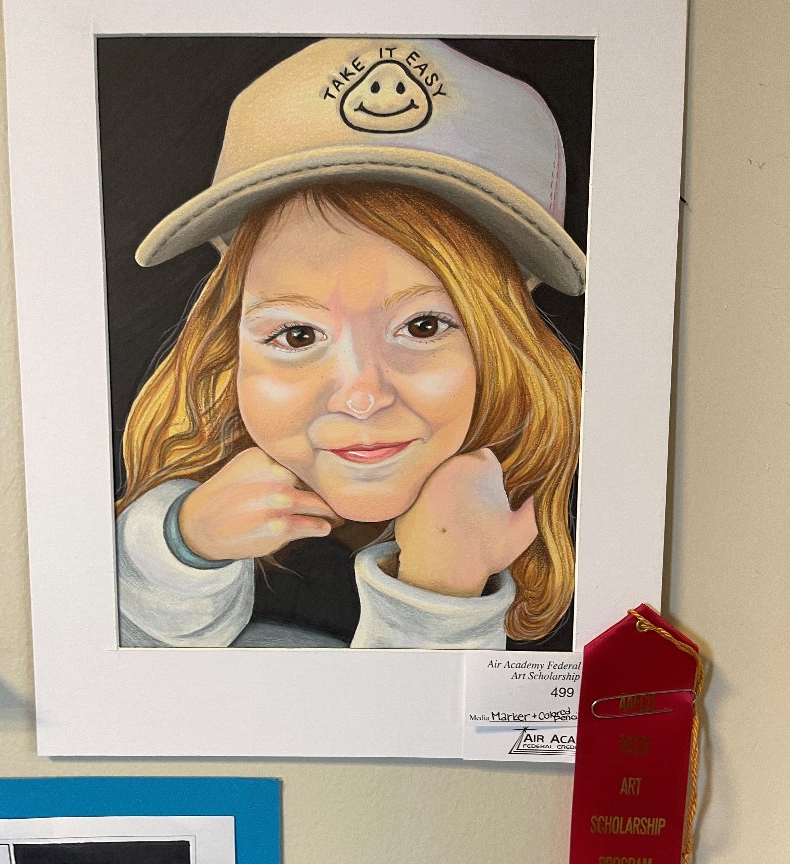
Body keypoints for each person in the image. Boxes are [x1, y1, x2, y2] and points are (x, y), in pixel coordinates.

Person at [115, 38, 586, 650]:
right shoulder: (189, 529)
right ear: (225, 353)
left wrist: (443, 588)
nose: (361, 395)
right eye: (297, 334)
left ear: (505, 350)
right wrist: (180, 547)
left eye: (423, 327)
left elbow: (423, 741)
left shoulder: (585, 549)